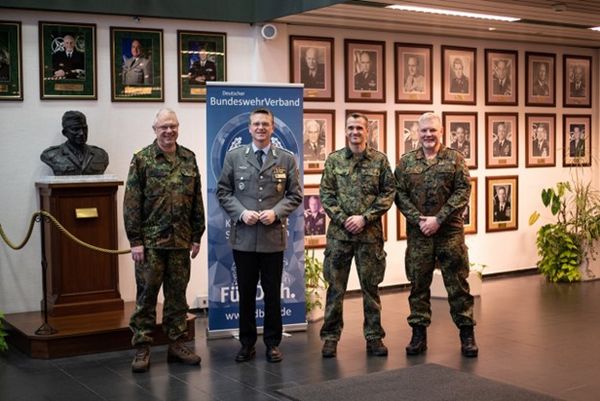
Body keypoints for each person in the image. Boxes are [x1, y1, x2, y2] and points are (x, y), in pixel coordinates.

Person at [216, 108, 302, 363]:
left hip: (272, 238)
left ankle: (273, 344)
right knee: (245, 294)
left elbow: (295, 195)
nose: (261, 128)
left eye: (265, 124)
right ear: (250, 128)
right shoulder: (234, 157)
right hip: (243, 238)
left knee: (273, 294)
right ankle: (246, 344)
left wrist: (276, 213)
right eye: (256, 124)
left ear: (272, 128)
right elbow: (223, 192)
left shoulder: (285, 160)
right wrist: (241, 213)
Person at [123, 108, 205, 373]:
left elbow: (197, 201)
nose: (169, 131)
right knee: (146, 297)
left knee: (177, 297)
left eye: (173, 126)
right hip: (151, 245)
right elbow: (132, 203)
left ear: (178, 127)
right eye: (163, 127)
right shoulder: (142, 160)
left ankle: (176, 345)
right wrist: (135, 240)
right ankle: (142, 347)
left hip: (181, 242)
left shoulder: (188, 158)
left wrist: (196, 235)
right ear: (155, 129)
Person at [394, 112, 478, 358]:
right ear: (417, 133)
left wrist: (438, 219)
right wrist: (419, 219)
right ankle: (418, 335)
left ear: (441, 131)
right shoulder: (406, 162)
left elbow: (463, 190)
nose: (428, 135)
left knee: (458, 285)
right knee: (418, 285)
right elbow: (398, 193)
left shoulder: (455, 159)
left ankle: (467, 335)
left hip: (449, 234)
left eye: (433, 130)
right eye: (424, 131)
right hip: (419, 234)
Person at [319, 112, 395, 358]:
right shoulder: (334, 160)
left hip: (369, 236)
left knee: (370, 289)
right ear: (345, 131)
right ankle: (330, 338)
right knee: (335, 289)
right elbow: (326, 195)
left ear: (367, 131)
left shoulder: (380, 161)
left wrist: (365, 218)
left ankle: (374, 338)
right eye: (350, 128)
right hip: (339, 237)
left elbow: (388, 194)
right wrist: (344, 219)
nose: (355, 132)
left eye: (359, 128)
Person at [40, 110, 109, 175]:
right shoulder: (51, 155)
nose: (81, 133)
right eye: (75, 129)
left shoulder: (101, 155)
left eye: (84, 128)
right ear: (65, 133)